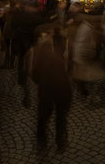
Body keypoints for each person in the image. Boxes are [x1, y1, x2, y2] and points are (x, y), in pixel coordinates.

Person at [31, 23, 72, 152]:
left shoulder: (41, 48)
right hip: (63, 86)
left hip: (46, 86)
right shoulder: (67, 44)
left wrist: (41, 81)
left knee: (43, 116)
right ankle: (60, 141)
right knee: (61, 116)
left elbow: (35, 72)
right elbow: (70, 66)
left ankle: (42, 141)